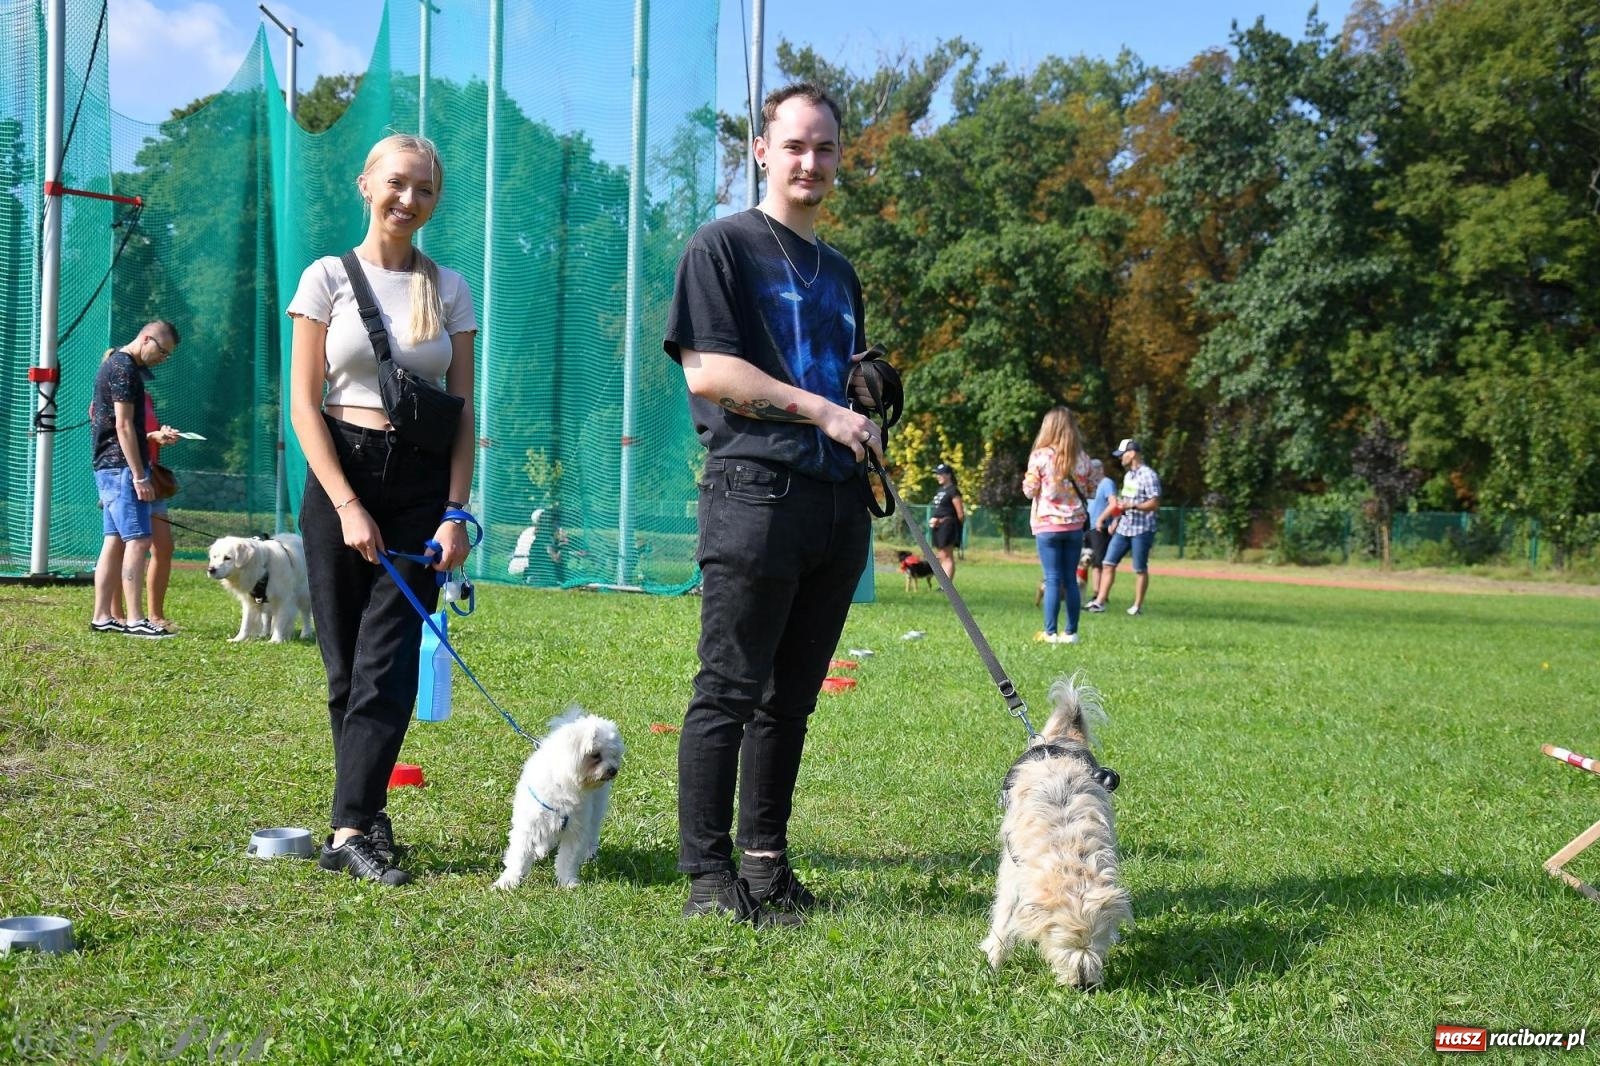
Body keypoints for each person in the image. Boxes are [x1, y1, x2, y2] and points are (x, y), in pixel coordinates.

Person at [663, 82, 881, 925]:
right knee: (728, 688)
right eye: (795, 145)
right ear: (762, 150)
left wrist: (861, 402)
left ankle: (764, 867)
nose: (811, 162)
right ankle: (708, 880)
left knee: (790, 700)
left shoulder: (841, 271)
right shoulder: (722, 249)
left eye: (825, 148)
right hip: (754, 492)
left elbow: (844, 380)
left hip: (835, 504)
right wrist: (825, 408)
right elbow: (710, 373)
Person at [287, 133, 478, 886]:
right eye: (396, 183)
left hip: (421, 489)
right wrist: (345, 504)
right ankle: (361, 807)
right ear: (365, 184)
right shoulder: (327, 277)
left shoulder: (450, 288)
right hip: (341, 473)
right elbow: (304, 405)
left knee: (388, 664)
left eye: (425, 189)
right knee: (344, 668)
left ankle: (349, 830)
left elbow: (462, 412)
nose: (409, 199)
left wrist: (455, 513)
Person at [88, 321, 181, 639]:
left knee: (114, 542)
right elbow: (124, 427)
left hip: (108, 466)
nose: (162, 359)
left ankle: (102, 616)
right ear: (146, 339)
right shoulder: (125, 367)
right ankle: (135, 619)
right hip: (122, 468)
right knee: (139, 540)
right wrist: (140, 474)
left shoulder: (116, 366)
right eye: (163, 351)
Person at [110, 392, 184, 633]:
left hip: (151, 478)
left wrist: (161, 435)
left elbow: (145, 433)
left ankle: (156, 615)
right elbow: (115, 435)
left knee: (163, 547)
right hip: (125, 478)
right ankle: (116, 615)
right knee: (121, 547)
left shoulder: (147, 397)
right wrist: (152, 436)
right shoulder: (106, 398)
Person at [1022, 406, 1095, 644]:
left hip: (1047, 524)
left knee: (1052, 578)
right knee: (1070, 579)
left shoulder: (1041, 456)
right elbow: (1091, 490)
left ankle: (1050, 632)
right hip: (1074, 524)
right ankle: (1071, 632)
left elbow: (1030, 490)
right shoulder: (1082, 459)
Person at [1087, 438, 1162, 616]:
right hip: (1124, 527)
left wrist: (1133, 506)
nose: (1120, 459)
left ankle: (1137, 606)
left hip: (1142, 529)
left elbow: (1155, 503)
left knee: (1139, 568)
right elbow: (1124, 501)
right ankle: (1100, 602)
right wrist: (1116, 520)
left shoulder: (1148, 475)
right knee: (1107, 563)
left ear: (1132, 454)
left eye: (1122, 455)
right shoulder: (1128, 476)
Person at [1085, 458, 1117, 602]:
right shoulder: (1091, 485)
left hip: (1100, 527)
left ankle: (1100, 594)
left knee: (1099, 562)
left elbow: (1114, 504)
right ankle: (1095, 591)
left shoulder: (1107, 483)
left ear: (1099, 470)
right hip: (1089, 527)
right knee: (1090, 561)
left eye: (1091, 471)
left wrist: (1106, 520)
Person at [928, 462, 965, 582]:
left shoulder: (953, 490)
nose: (938, 476)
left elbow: (960, 513)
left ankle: (946, 586)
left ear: (948, 475)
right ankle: (943, 584)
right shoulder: (940, 490)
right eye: (937, 474)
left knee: (947, 556)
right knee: (941, 555)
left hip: (948, 526)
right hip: (939, 526)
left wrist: (956, 529)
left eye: (941, 474)